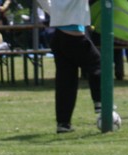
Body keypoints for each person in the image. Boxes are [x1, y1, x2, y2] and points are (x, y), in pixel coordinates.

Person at [40, 0, 102, 133]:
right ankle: (100, 102)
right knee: (97, 64)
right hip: (74, 35)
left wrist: (55, 13)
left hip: (59, 35)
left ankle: (63, 123)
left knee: (66, 81)